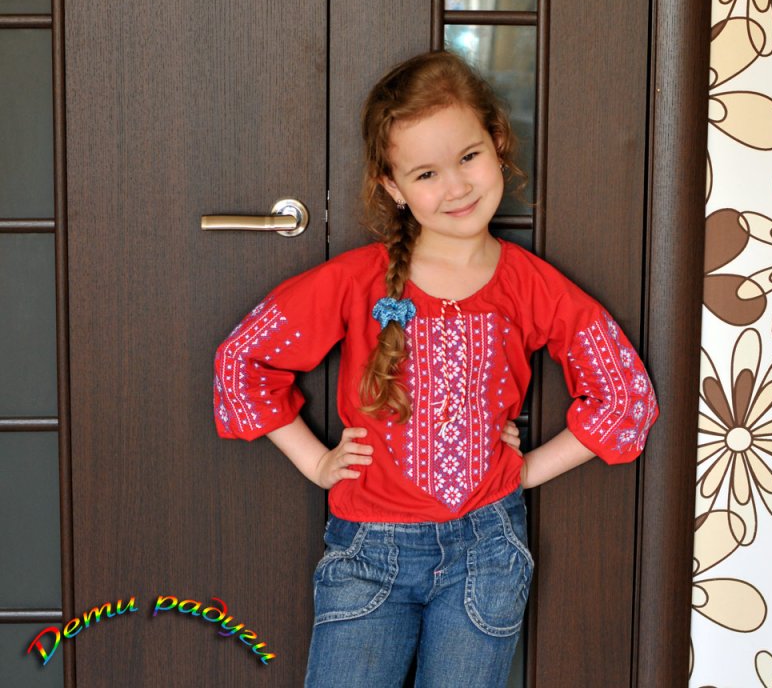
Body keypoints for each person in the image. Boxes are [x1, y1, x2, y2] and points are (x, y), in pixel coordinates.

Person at [213, 50, 658, 687]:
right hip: (368, 554)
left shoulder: (532, 286)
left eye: (468, 156)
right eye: (426, 173)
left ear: (497, 143)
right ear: (393, 187)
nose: (456, 187)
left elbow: (625, 394)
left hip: (488, 555)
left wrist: (527, 469)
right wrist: (316, 462)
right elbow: (244, 358)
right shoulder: (356, 280)